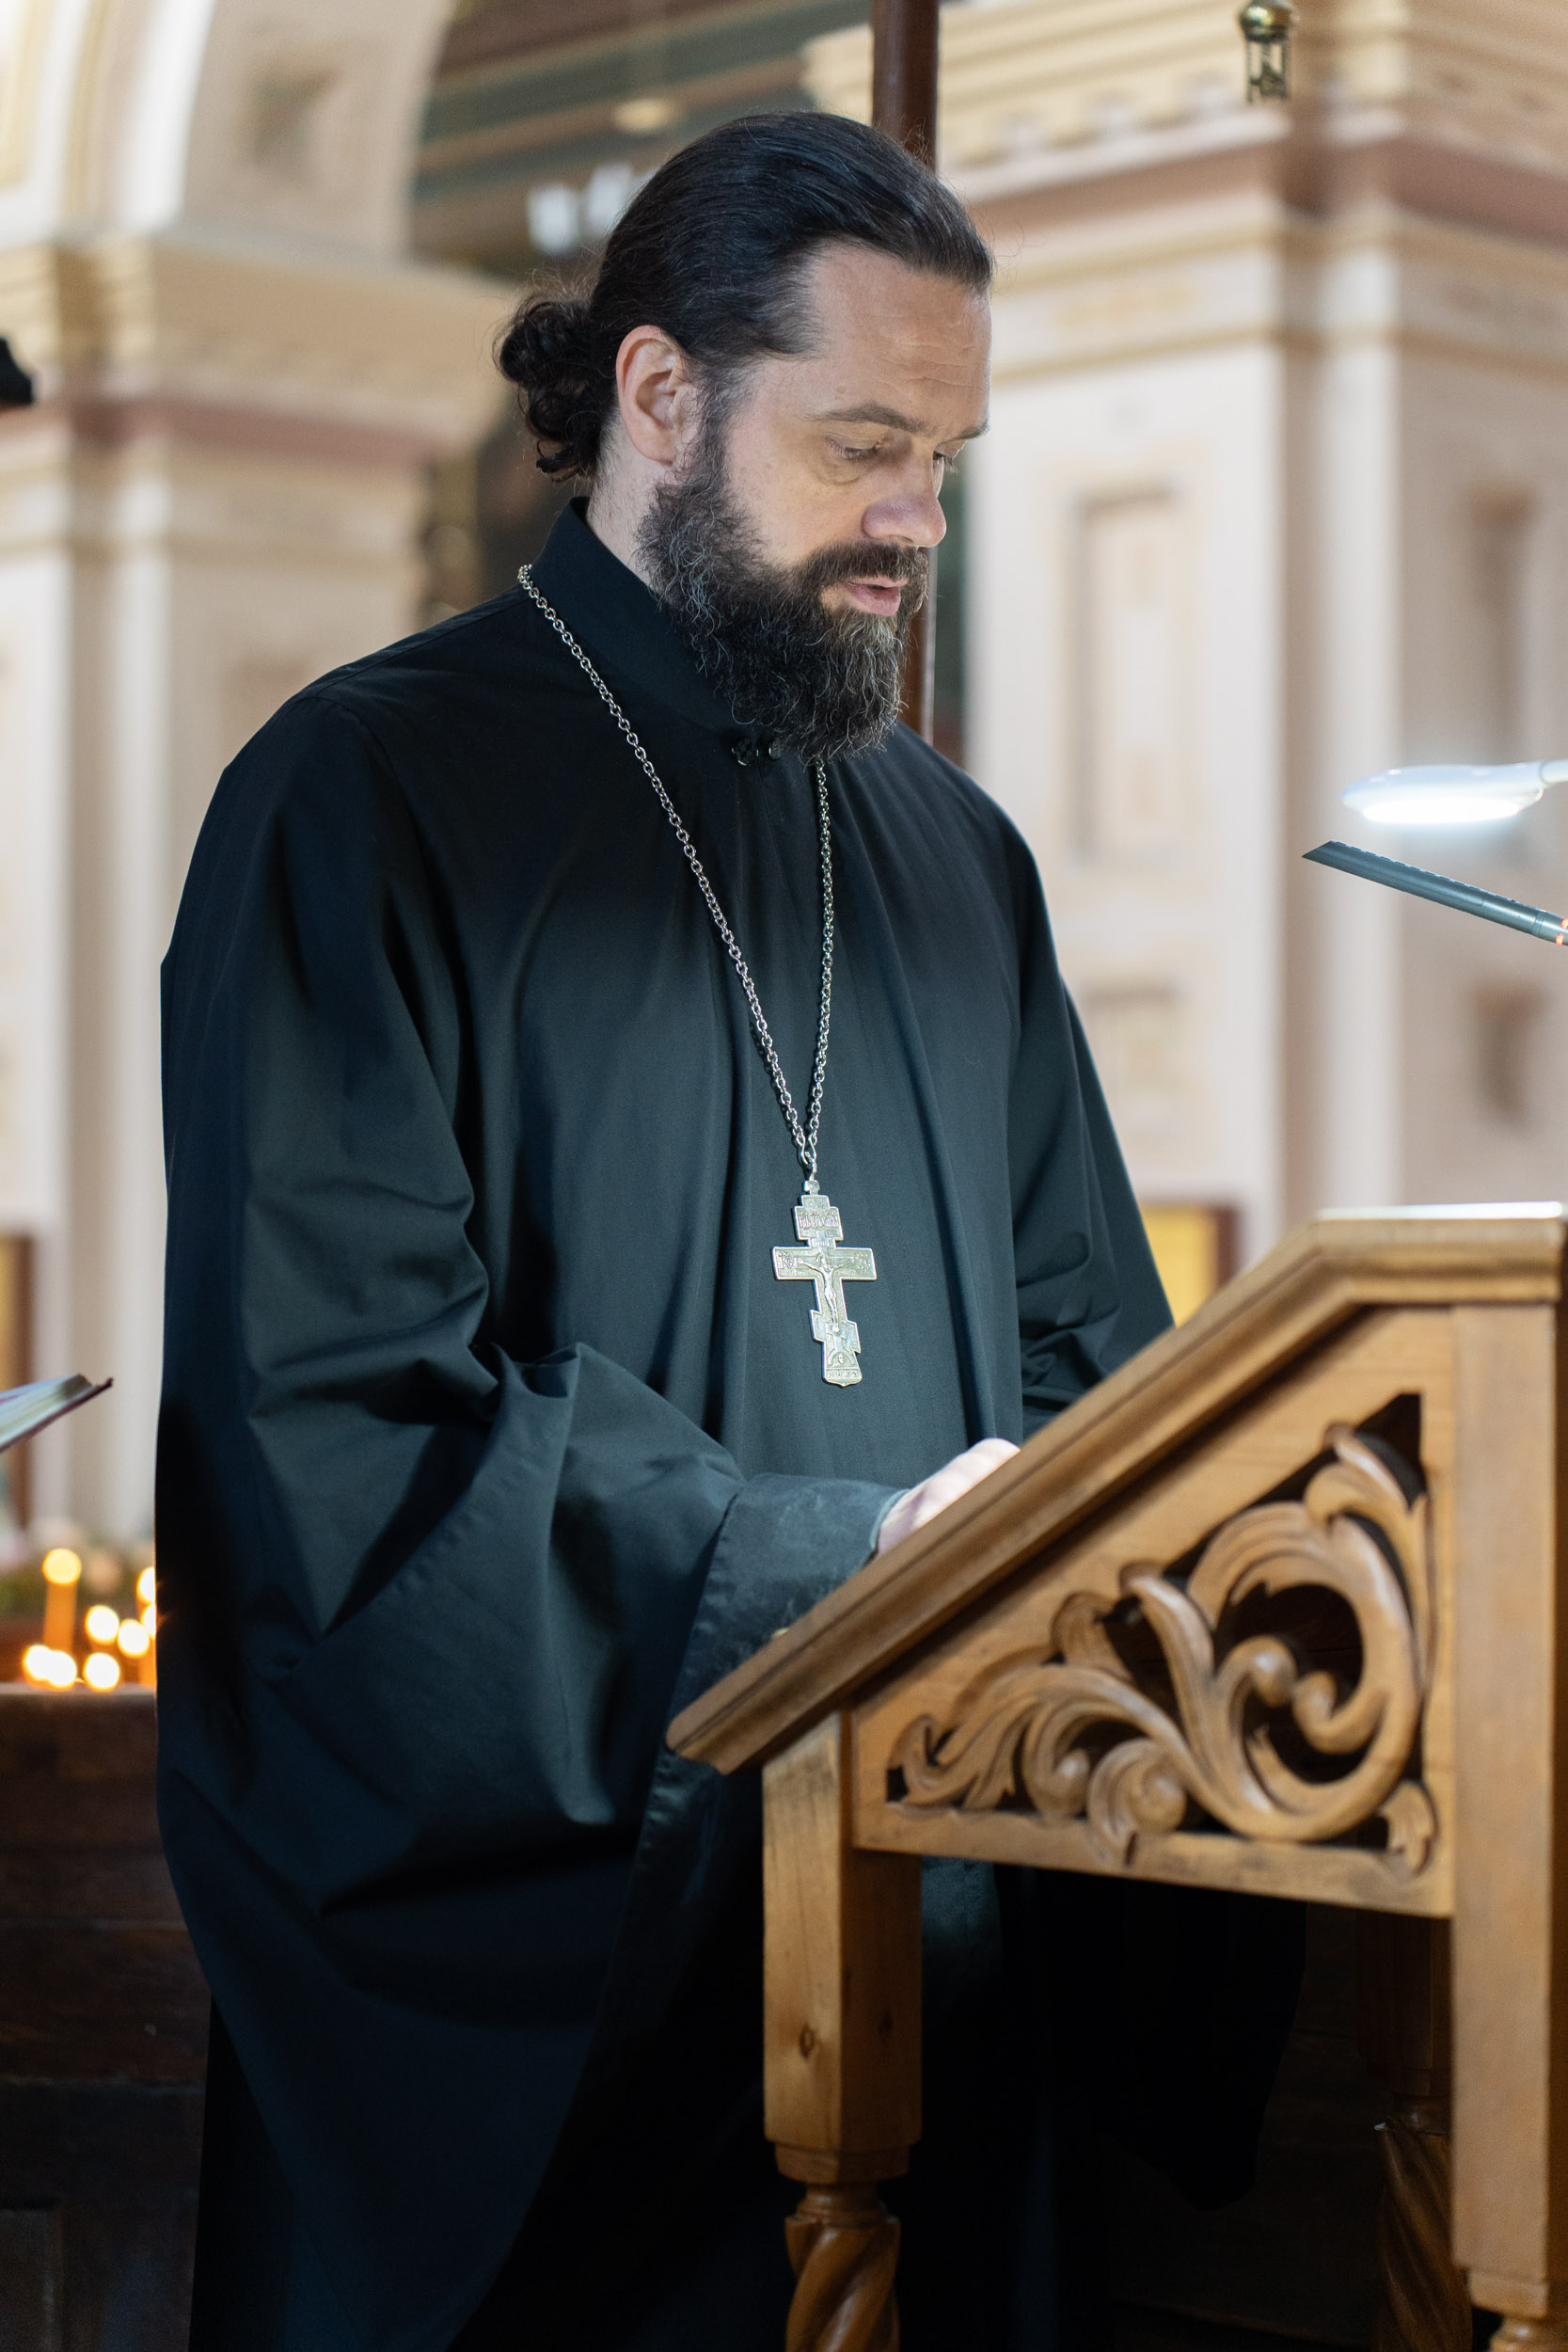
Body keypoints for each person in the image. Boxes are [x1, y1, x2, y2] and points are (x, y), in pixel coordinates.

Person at [158, 110, 1297, 2352]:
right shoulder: (366, 793)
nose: (919, 519)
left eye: (944, 461)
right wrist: (837, 1564)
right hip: (574, 2034)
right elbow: (335, 1448)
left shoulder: (958, 857)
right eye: (864, 445)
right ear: (661, 394)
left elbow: (1094, 1368)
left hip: (940, 1967)